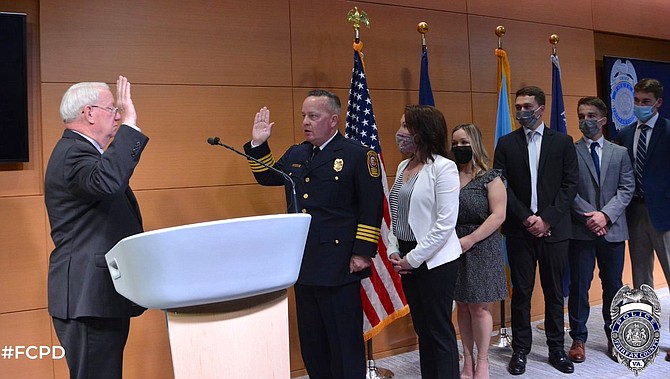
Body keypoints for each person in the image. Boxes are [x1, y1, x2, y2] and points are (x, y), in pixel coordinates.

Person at [243, 89, 384, 379]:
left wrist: (362, 252)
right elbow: (268, 176)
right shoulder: (298, 153)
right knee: (313, 341)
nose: (306, 122)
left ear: (333, 120)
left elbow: (371, 207)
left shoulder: (357, 155)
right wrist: (258, 144)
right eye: (304, 116)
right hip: (303, 261)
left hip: (340, 262)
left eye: (313, 116)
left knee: (343, 342)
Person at [44, 76, 149, 379]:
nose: (118, 115)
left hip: (98, 295)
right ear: (89, 114)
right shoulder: (73, 153)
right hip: (87, 297)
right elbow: (108, 182)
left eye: (119, 111)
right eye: (112, 109)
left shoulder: (84, 154)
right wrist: (130, 125)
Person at [493, 86, 578, 375]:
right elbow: (501, 184)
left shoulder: (563, 142)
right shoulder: (506, 143)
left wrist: (547, 219)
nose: (520, 112)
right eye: (517, 107)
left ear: (541, 109)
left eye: (527, 107)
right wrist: (528, 218)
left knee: (555, 292)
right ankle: (520, 351)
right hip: (519, 230)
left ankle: (556, 349)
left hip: (554, 230)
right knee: (522, 293)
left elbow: (570, 186)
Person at [387, 105, 461, 379]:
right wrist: (395, 250)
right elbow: (397, 211)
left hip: (435, 260)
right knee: (423, 329)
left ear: (423, 132)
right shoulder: (403, 165)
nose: (400, 132)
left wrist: (413, 258)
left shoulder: (444, 168)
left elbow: (444, 224)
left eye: (406, 126)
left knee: (438, 330)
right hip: (406, 256)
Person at [567, 97, 635, 363]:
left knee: (613, 286)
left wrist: (605, 215)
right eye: (581, 115)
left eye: (591, 115)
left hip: (613, 230)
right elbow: (568, 189)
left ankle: (614, 336)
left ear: (603, 120)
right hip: (581, 230)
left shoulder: (620, 152)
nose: (586, 121)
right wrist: (590, 217)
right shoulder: (570, 151)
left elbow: (626, 188)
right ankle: (578, 338)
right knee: (579, 286)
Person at [615, 78, 670, 362]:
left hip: (665, 216)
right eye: (637, 101)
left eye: (645, 102)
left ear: (658, 103)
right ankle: (647, 334)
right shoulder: (625, 134)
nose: (640, 106)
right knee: (641, 279)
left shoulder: (668, 130)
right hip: (635, 213)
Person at [451, 123, 508, 379]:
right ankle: (468, 360)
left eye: (464, 143)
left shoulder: (491, 176)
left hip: (481, 245)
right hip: (452, 245)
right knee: (462, 306)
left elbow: (498, 216)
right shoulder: (448, 175)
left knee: (479, 308)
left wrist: (471, 239)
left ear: (475, 143)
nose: (459, 148)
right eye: (455, 144)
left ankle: (483, 361)